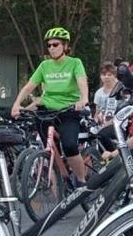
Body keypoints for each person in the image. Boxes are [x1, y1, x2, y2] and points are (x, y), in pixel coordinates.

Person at [11, 27, 90, 182]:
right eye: (49, 45)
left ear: (65, 46)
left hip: (68, 110)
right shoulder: (45, 65)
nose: (52, 48)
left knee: (69, 147)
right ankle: (61, 180)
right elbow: (29, 87)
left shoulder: (75, 62)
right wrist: (16, 104)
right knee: (48, 149)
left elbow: (82, 81)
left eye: (56, 44)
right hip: (46, 111)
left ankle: (81, 181)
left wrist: (84, 98)